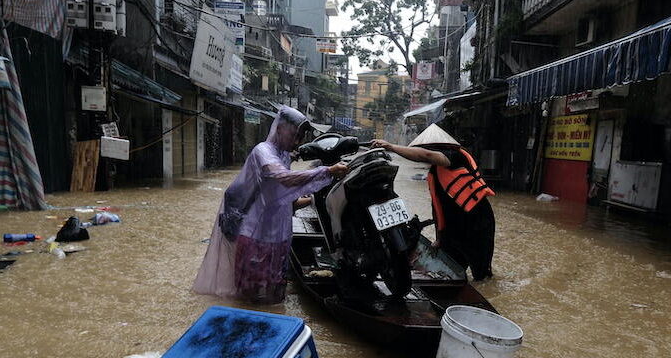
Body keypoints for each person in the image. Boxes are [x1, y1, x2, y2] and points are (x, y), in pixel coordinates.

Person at [194, 107, 349, 303]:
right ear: (281, 128)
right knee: (248, 298)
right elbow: (282, 177)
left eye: (300, 137)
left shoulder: (284, 156)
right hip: (254, 238)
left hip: (279, 239)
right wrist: (327, 171)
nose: (297, 141)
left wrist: (313, 196)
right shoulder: (263, 151)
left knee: (275, 298)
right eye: (294, 134)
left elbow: (282, 198)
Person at [371, 124, 495, 280]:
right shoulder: (435, 172)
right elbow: (438, 208)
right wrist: (439, 238)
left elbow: (427, 155)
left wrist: (391, 147)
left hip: (477, 224)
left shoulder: (456, 156)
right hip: (454, 228)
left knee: (482, 275)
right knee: (453, 272)